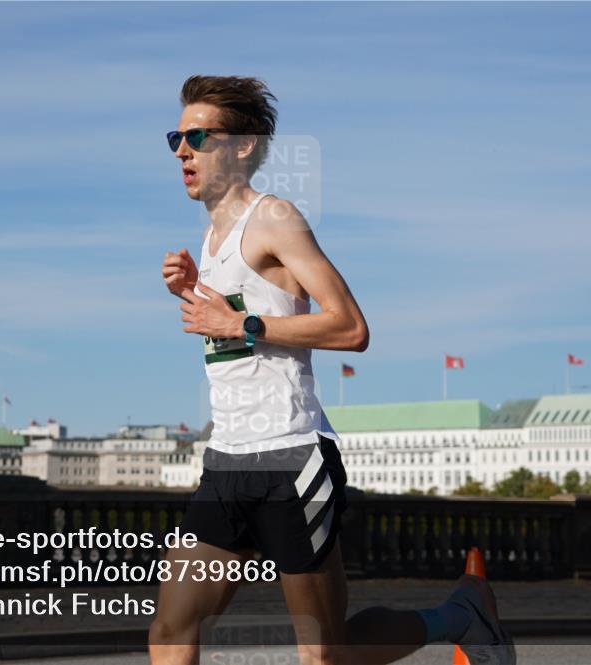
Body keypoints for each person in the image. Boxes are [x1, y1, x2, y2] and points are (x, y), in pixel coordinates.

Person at [152, 75, 515, 665]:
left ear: (244, 145)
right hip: (228, 462)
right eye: (176, 136)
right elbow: (243, 326)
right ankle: (464, 615)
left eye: (198, 136)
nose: (181, 150)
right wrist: (197, 291)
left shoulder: (276, 218)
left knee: (326, 651)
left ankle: (461, 616)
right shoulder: (213, 234)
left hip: (292, 459)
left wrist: (237, 324)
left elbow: (350, 327)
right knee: (172, 629)